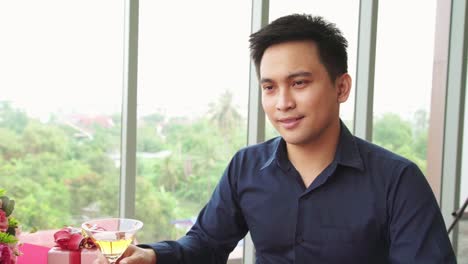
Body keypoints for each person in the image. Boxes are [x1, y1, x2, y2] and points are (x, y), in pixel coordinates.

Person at [95, 14, 456, 264]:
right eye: (270, 87)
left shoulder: (397, 181)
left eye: (299, 83)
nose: (283, 102)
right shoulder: (246, 168)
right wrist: (155, 255)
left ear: (341, 87)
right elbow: (206, 244)